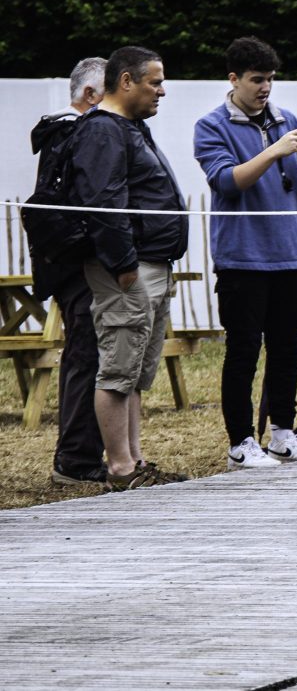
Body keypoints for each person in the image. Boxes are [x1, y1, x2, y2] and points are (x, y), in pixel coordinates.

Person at [194, 37, 297, 469]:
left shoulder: (286, 120)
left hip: (290, 254)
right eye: (257, 80)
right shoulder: (211, 126)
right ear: (233, 79)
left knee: (288, 348)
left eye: (271, 79)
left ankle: (283, 435)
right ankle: (240, 443)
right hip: (242, 258)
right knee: (243, 352)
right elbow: (227, 182)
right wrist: (273, 150)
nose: (265, 88)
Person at [69, 46, 190, 491]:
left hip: (151, 265)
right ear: (125, 82)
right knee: (118, 370)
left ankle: (135, 461)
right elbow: (104, 202)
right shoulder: (102, 130)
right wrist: (123, 265)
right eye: (154, 82)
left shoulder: (131, 128)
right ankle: (120, 467)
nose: (162, 90)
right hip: (129, 269)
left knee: (135, 371)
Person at [30, 57, 107, 486]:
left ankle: (86, 453)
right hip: (79, 266)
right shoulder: (74, 133)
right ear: (90, 95)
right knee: (87, 356)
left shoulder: (67, 134)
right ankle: (76, 459)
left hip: (74, 263)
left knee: (90, 355)